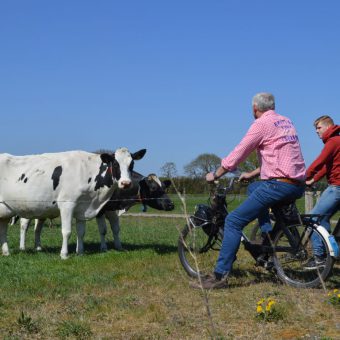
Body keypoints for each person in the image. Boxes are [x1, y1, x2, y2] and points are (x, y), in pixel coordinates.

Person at [191, 92, 306, 289]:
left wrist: (216, 174)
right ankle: (267, 234)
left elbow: (240, 151)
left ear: (255, 108)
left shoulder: (261, 124)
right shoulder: (286, 122)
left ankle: (219, 276)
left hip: (277, 185)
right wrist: (252, 174)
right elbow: (279, 157)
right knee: (254, 188)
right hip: (296, 184)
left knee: (233, 221)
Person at [303, 115, 340, 269]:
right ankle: (330, 254)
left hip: (336, 188)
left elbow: (320, 161)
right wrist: (313, 180)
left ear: (328, 126)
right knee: (323, 219)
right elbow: (327, 166)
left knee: (312, 219)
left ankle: (319, 257)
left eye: (318, 128)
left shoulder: (333, 141)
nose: (317, 132)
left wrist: (303, 176)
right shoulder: (337, 140)